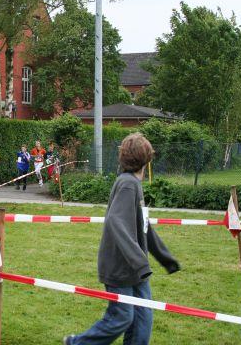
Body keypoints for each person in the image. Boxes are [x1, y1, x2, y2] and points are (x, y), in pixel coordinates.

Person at [64, 133, 180, 345]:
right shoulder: (128, 184)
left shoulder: (132, 184)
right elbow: (115, 221)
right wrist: (140, 262)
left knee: (143, 321)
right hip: (120, 267)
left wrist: (165, 258)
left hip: (136, 270)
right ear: (146, 158)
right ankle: (76, 343)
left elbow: (144, 228)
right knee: (121, 317)